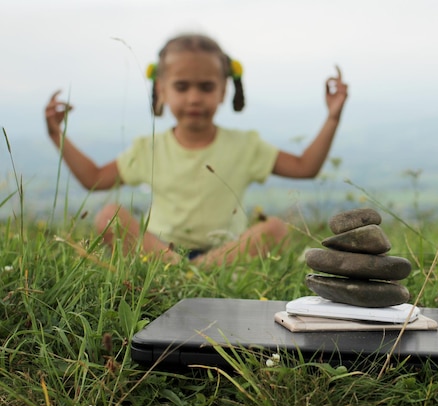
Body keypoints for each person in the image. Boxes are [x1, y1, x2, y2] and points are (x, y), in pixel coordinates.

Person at [44, 33, 348, 268]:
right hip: (158, 250)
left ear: (223, 90)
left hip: (225, 253)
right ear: (161, 89)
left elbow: (305, 167)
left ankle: (193, 270)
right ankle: (181, 268)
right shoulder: (149, 146)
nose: (194, 98)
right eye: (181, 86)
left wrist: (332, 117)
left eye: (205, 87)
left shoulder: (245, 145)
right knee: (108, 216)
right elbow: (94, 178)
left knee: (276, 229)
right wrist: (58, 135)